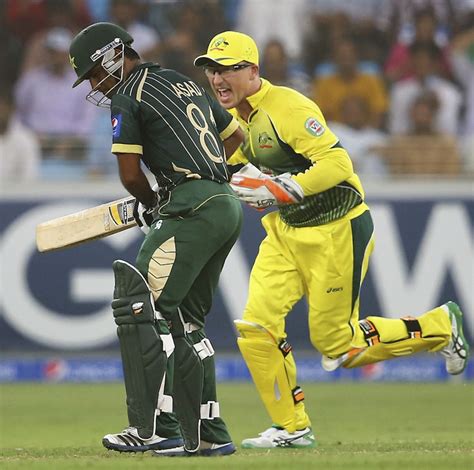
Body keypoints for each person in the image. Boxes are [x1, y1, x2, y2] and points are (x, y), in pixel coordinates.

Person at [194, 31, 470, 449]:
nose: (218, 79)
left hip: (337, 229)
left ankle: (439, 326)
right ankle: (292, 428)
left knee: (338, 346)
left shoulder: (288, 107)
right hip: (286, 232)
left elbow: (338, 162)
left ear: (253, 71)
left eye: (229, 69)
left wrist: (279, 189)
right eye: (213, 70)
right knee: (255, 326)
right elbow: (234, 167)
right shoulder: (235, 117)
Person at [68, 22, 244, 457]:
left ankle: (153, 428)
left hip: (188, 207)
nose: (94, 84)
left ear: (112, 56)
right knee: (186, 321)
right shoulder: (183, 82)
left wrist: (152, 204)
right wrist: (216, 181)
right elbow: (236, 139)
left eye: (93, 73)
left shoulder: (128, 95)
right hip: (225, 204)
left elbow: (130, 175)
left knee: (139, 308)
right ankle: (208, 432)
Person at [0, 89, 41, 182]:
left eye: (2, 107)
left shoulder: (26, 139)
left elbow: (30, 178)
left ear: (11, 109)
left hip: (16, 195)